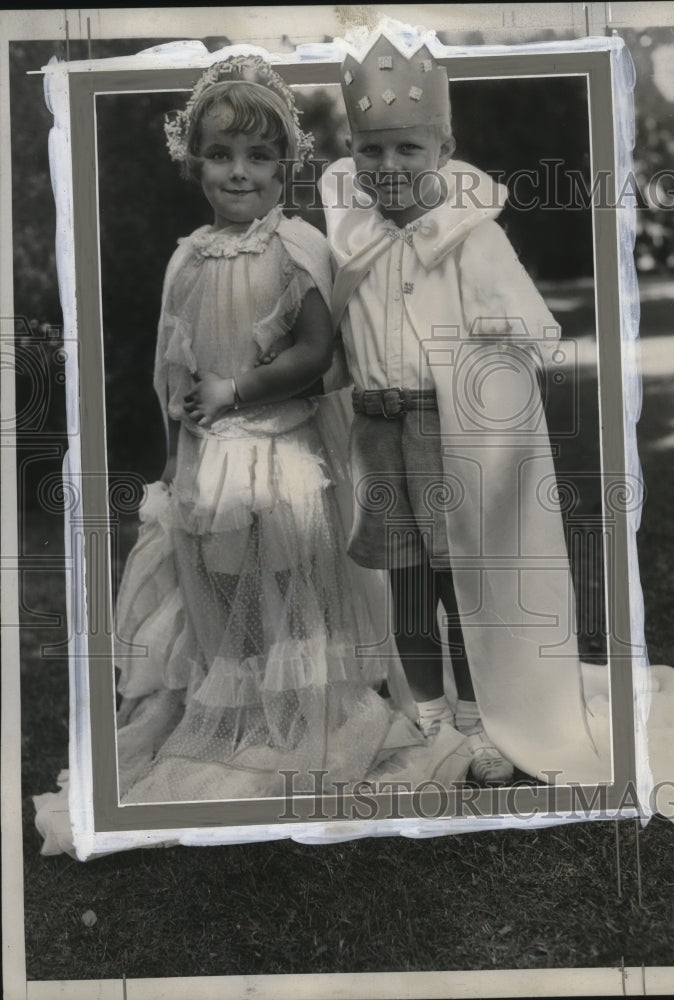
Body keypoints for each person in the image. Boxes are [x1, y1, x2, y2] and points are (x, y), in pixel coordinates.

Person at [106, 53, 473, 806]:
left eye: (258, 157)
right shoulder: (187, 261)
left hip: (281, 451)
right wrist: (177, 457)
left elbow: (317, 356)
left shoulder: (295, 247)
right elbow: (175, 375)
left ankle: (307, 712)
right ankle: (246, 715)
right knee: (221, 585)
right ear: (193, 163)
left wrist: (236, 388)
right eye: (220, 155)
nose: (238, 173)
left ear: (284, 166)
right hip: (211, 457)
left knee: (289, 582)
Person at [320, 31, 610, 787]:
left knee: (462, 579)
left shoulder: (472, 239)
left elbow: (532, 326)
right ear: (351, 150)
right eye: (370, 151)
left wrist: (501, 335)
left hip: (446, 432)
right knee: (404, 579)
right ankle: (429, 718)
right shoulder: (348, 235)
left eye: (407, 150)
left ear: (442, 146)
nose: (387, 168)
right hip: (375, 432)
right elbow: (329, 330)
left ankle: (483, 721)